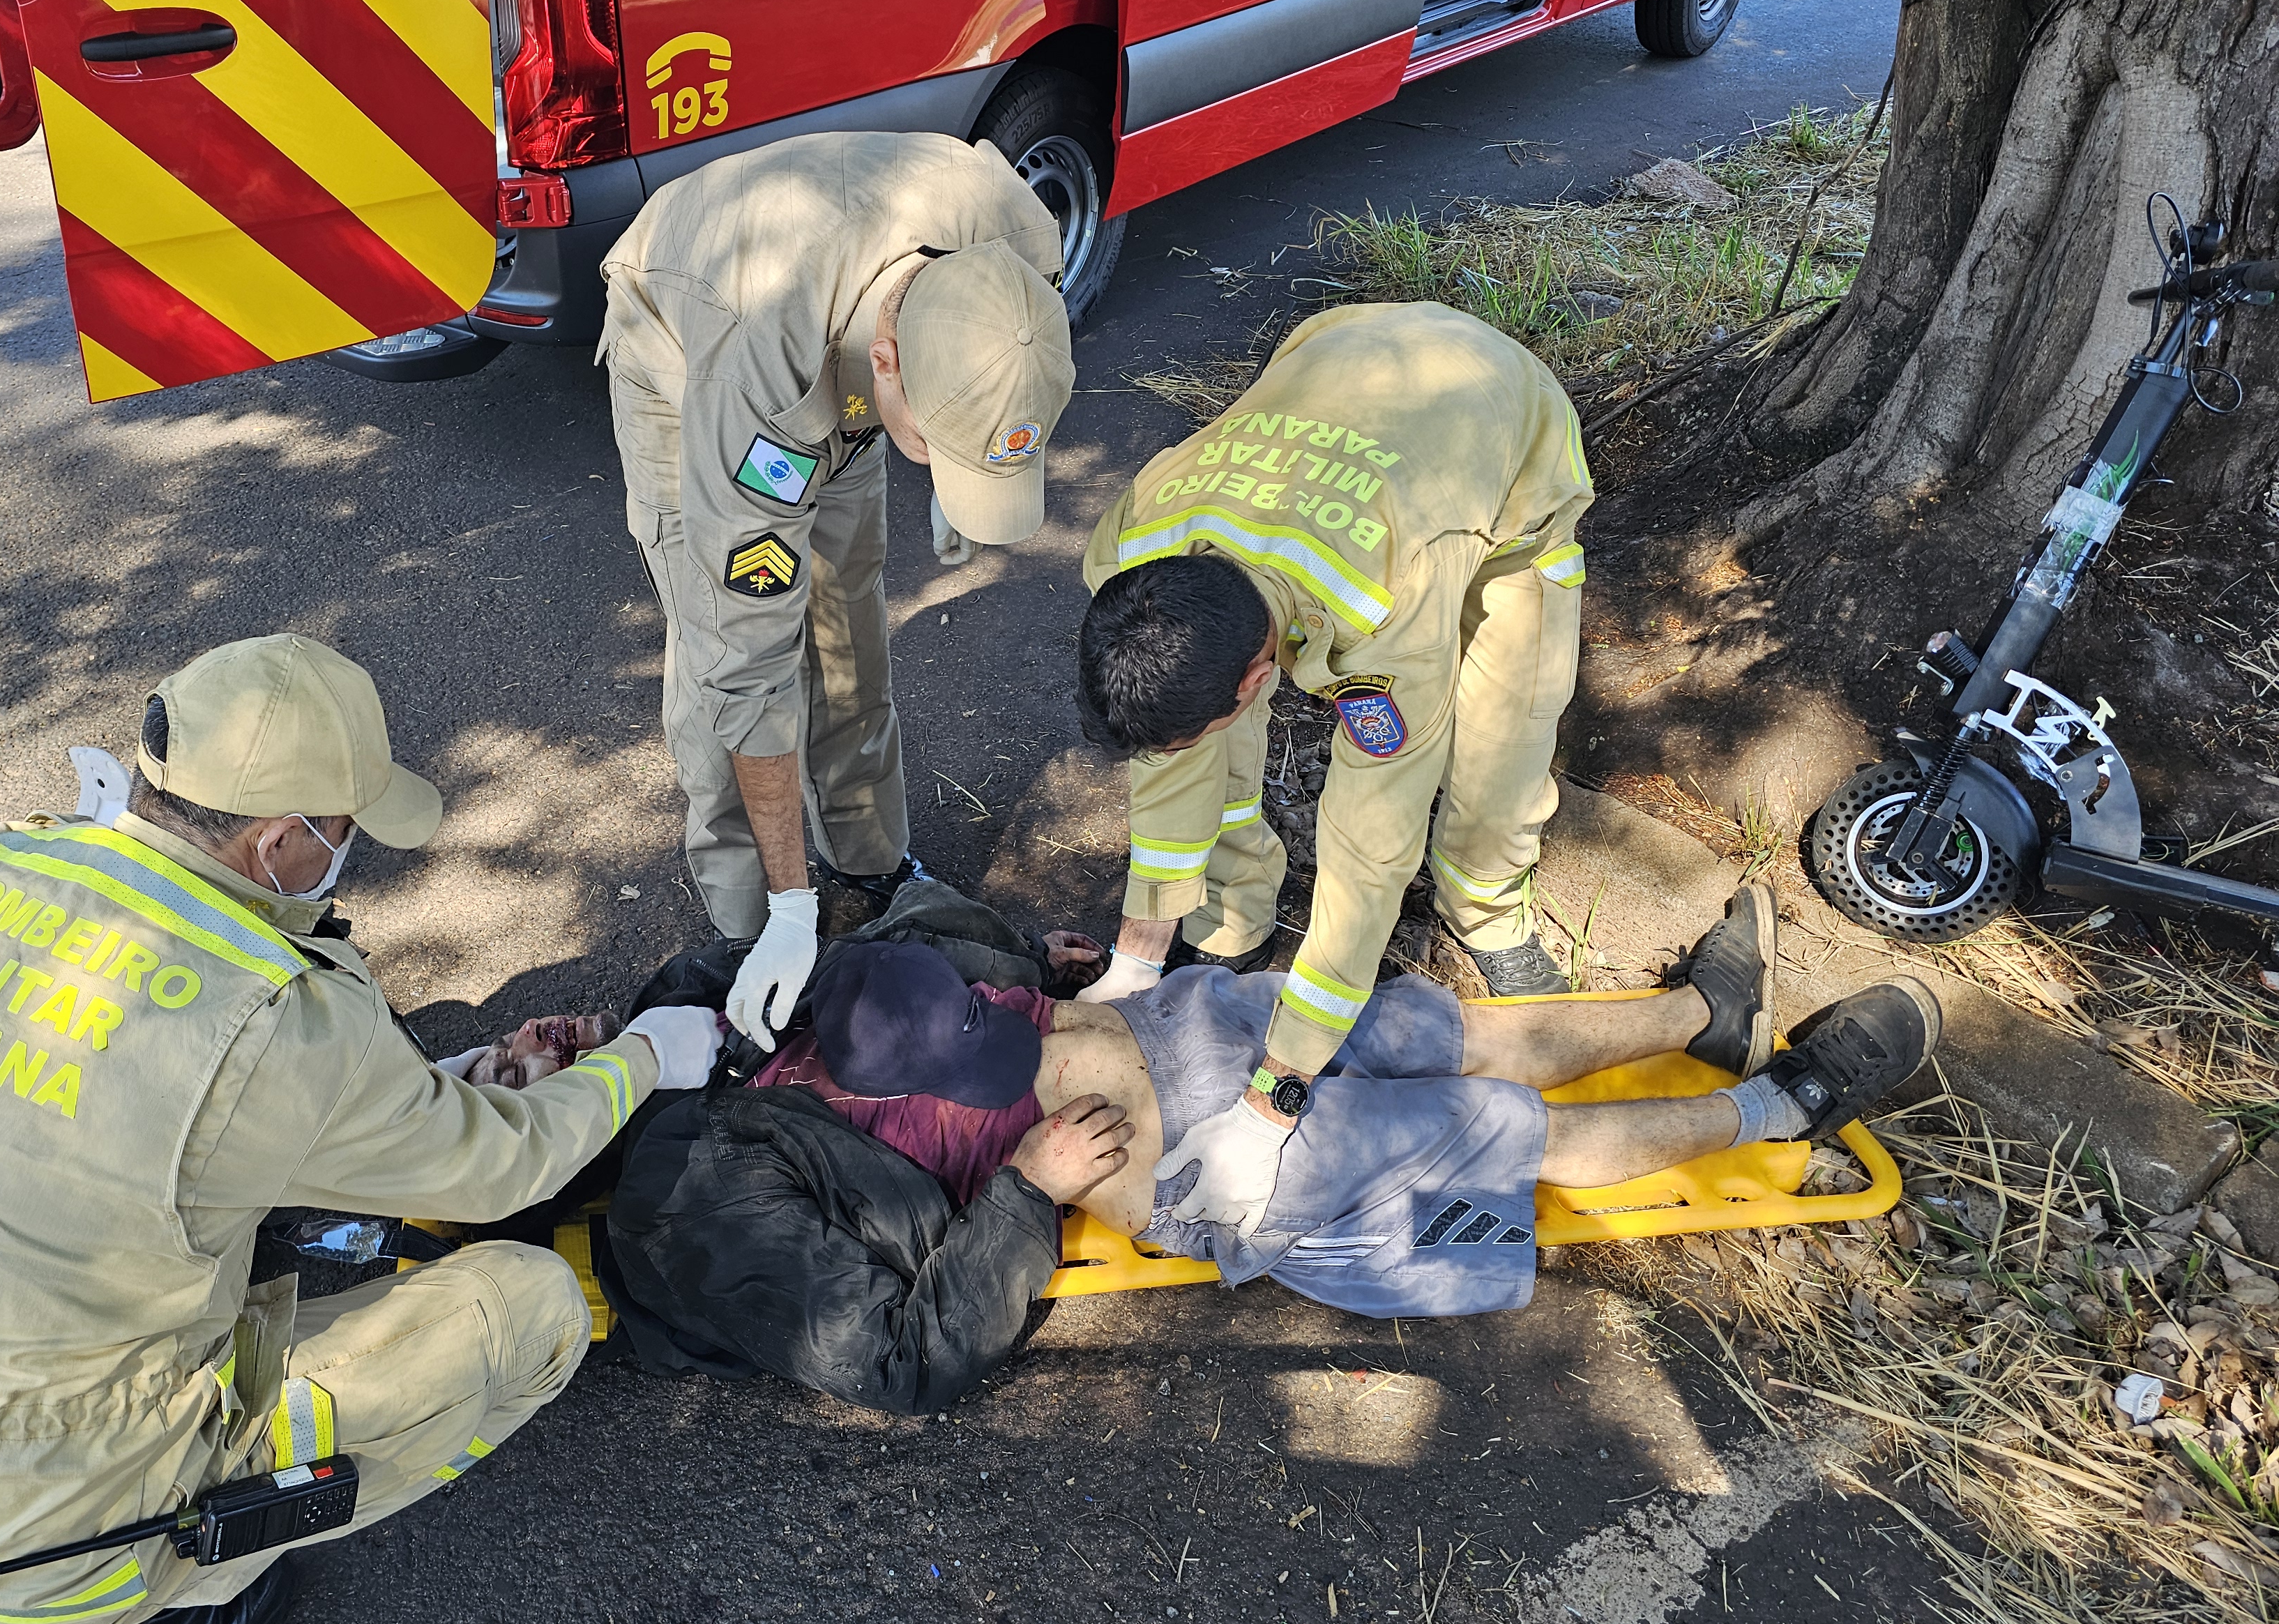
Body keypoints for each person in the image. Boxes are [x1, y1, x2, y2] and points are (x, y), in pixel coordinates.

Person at [0, 635, 725, 1624]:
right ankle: (172, 1592)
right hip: (36, 1534)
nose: (348, 855)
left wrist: (437, 1078)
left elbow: (140, 1112)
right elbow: (497, 1172)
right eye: (343, 833)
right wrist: (643, 1061)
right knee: (534, 1308)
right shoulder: (279, 1013)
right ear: (282, 844)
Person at [604, 887, 1941, 1402]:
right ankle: (1789, 1107)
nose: (528, 1046)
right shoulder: (684, 1193)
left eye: (505, 1046)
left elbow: (932, 970)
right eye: (501, 1084)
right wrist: (1021, 1191)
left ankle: (1703, 1015)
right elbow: (904, 1358)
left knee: (1429, 1031)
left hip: (1182, 1026)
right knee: (1477, 1133)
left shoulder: (719, 1001)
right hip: (1190, 1159)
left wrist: (1032, 967)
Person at [1073, 298, 1596, 1235]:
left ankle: (1489, 904)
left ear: (1262, 681)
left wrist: (1276, 1100)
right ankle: (1231, 911)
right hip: (1340, 357)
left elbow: (1369, 851)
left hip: (1502, 446)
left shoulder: (1388, 597)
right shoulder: (1136, 540)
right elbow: (1169, 757)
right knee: (1184, 741)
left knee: (1501, 741)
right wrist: (1134, 960)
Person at [598, 131, 1076, 1053]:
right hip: (684, 334)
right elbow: (751, 661)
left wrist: (962, 460)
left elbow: (1011, 374)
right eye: (935, 444)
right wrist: (789, 904)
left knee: (849, 620)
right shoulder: (761, 377)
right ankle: (750, 924)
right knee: (720, 656)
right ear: (888, 365)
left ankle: (873, 859)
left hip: (854, 343)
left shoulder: (1019, 256)